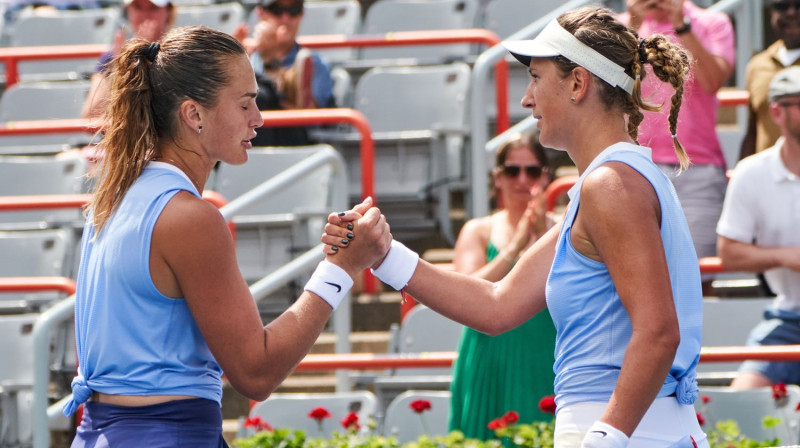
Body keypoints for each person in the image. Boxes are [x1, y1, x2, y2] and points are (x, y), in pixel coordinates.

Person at [326, 6, 706, 447]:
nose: (526, 100)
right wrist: (383, 255)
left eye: (536, 78)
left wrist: (607, 436)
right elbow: (496, 305)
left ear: (578, 83)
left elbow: (659, 332)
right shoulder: (612, 183)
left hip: (627, 432)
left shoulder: (611, 185)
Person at [62, 26, 391, 447]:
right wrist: (341, 267)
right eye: (246, 103)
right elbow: (257, 372)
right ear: (194, 114)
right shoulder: (190, 219)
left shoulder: (117, 196)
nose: (259, 118)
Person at [620, 0, 734, 293]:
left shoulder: (712, 23)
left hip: (697, 170)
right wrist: (633, 22)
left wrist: (680, 23)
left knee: (696, 282)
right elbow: (608, 83)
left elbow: (712, 82)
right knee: (633, 279)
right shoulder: (623, 26)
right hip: (636, 165)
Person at [449, 132, 558, 437]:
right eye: (512, 171)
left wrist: (540, 239)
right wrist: (514, 249)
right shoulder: (478, 230)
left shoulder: (562, 228)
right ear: (498, 178)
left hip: (544, 350)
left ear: (545, 176)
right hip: (489, 354)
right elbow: (464, 291)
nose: (522, 179)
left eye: (532, 171)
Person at [717, 66, 800, 390]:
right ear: (777, 112)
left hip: (785, 318)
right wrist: (786, 257)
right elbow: (729, 253)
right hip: (788, 318)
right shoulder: (752, 173)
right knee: (742, 403)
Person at [245, 0, 334, 146]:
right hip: (248, 139)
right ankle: (285, 83)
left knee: (258, 96)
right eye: (277, 10)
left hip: (295, 140)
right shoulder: (246, 58)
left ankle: (284, 85)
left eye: (294, 10)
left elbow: (314, 122)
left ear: (302, 14)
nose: (285, 19)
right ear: (260, 13)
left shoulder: (315, 63)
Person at [81, 0, 176, 119]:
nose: (145, 15)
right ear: (128, 12)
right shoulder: (112, 56)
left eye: (153, 8)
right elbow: (91, 115)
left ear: (168, 12)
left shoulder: (179, 55)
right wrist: (119, 65)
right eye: (137, 7)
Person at [739, 0, 800, 160]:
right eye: (782, 6)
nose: (791, 13)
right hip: (766, 179)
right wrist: (741, 173)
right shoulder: (757, 65)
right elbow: (753, 130)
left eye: (799, 5)